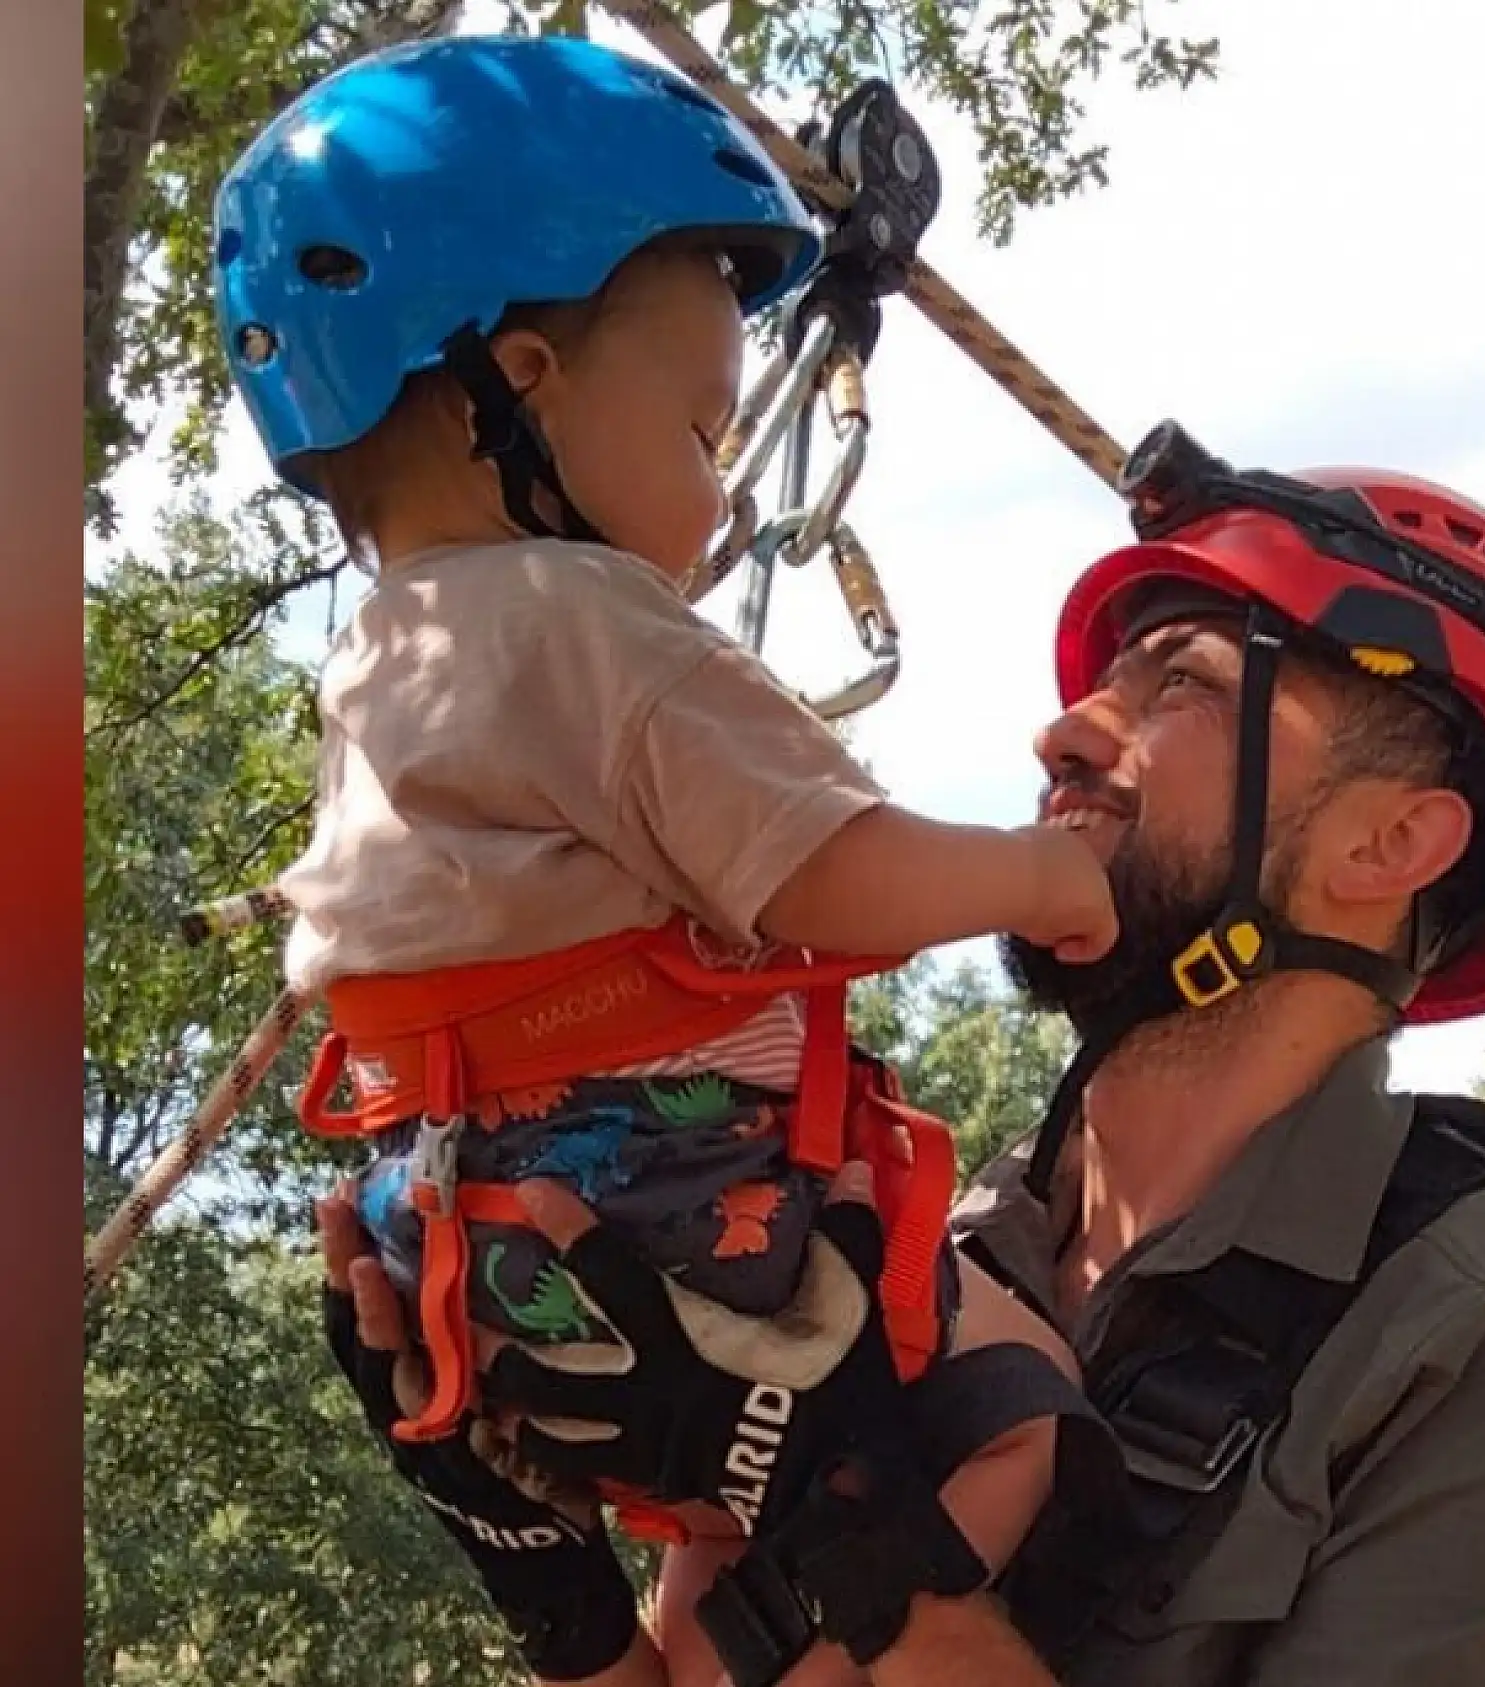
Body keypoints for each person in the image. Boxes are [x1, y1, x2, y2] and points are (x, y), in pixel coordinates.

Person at [322, 420, 1485, 1686]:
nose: (1065, 727)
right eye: (1104, 679)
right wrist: (543, 1574)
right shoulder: (924, 1250)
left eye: (1185, 681)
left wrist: (846, 1539)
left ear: (1389, 843)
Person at [216, 31, 1114, 1687]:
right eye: (706, 431)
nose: (719, 493)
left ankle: (714, 1626)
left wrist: (563, 1608)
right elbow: (829, 880)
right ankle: (863, 1609)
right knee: (1007, 1412)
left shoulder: (380, 671)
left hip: (462, 1236)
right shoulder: (590, 624)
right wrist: (1040, 879)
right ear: (524, 387)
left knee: (715, 1548)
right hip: (667, 1197)